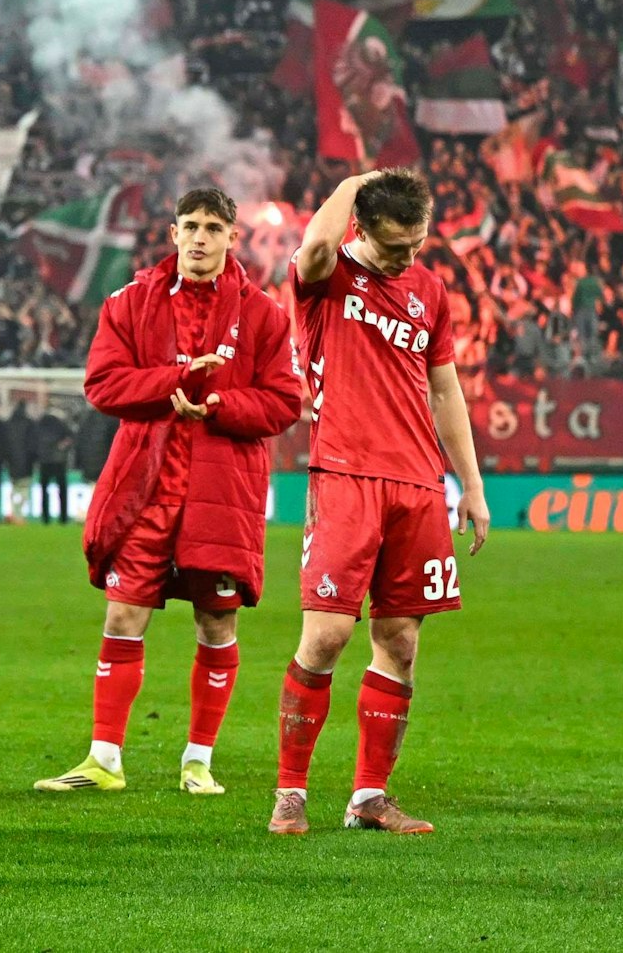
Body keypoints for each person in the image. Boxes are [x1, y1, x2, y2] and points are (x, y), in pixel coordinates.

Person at [36, 188, 303, 796]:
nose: (200, 238)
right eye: (190, 226)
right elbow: (102, 385)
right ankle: (104, 759)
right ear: (173, 232)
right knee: (124, 612)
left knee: (215, 622)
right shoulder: (129, 302)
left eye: (213, 227)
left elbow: (285, 400)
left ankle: (198, 761)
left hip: (221, 489)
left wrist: (220, 405)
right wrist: (176, 380)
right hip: (146, 487)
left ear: (234, 237)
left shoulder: (264, 314)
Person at [270, 169, 489, 836]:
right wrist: (353, 180)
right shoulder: (325, 278)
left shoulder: (430, 290)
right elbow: (312, 244)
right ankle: (290, 792)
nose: (408, 258)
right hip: (344, 474)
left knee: (400, 640)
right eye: (395, 246)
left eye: (418, 243)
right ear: (360, 228)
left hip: (419, 484)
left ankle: (369, 795)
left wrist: (471, 484)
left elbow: (446, 391)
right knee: (328, 633)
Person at [34, 406, 74, 525]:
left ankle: (45, 518)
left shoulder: (39, 423)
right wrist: (62, 447)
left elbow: (34, 441)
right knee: (62, 490)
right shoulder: (61, 422)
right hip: (59, 460)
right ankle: (63, 517)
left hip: (44, 460)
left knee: (44, 490)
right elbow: (70, 438)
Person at [5, 400, 37, 523]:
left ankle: (14, 512)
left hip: (12, 463)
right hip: (27, 464)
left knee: (14, 488)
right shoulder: (30, 424)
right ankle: (20, 515)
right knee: (23, 489)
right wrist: (34, 459)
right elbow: (33, 445)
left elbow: (5, 444)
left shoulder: (8, 424)